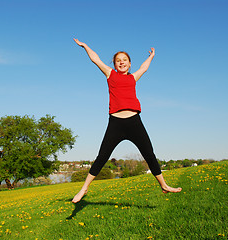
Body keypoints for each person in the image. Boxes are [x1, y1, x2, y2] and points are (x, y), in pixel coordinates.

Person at [72, 38, 182, 203]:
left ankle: (164, 185)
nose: (121, 63)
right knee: (102, 156)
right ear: (114, 64)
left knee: (149, 154)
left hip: (134, 122)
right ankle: (84, 188)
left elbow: (144, 68)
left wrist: (151, 56)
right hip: (115, 124)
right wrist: (85, 46)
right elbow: (96, 59)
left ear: (129, 64)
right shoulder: (110, 74)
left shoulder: (133, 78)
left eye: (124, 60)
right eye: (118, 61)